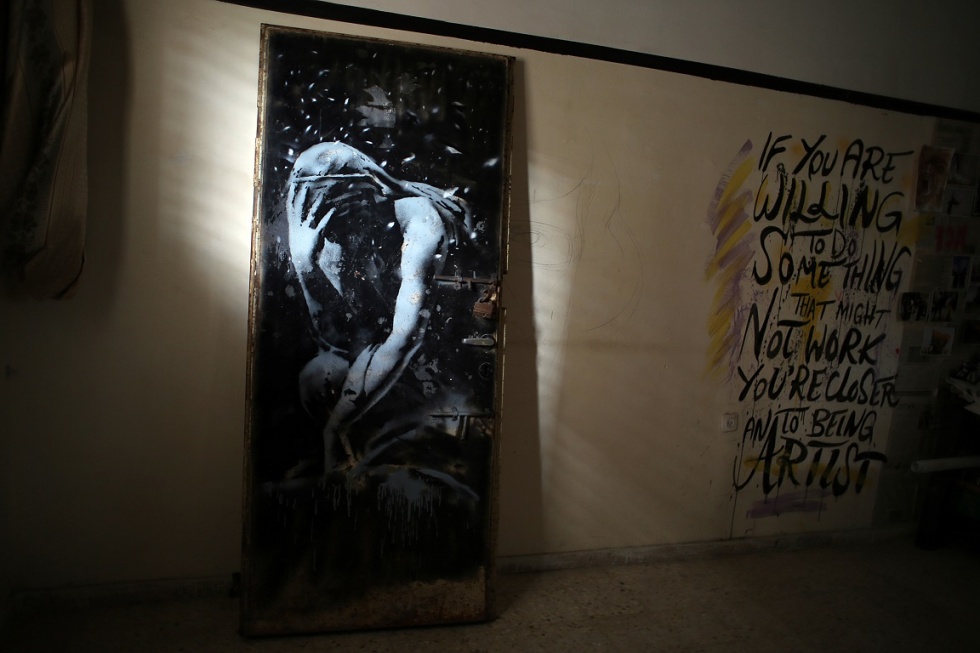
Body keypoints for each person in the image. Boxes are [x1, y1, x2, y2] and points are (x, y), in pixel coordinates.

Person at [285, 141, 473, 475]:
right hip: (390, 347)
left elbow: (405, 337)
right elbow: (334, 340)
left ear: (362, 196)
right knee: (318, 376)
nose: (325, 225)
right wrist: (305, 265)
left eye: (331, 207)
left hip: (442, 351)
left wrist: (336, 427)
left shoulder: (420, 221)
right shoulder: (323, 226)